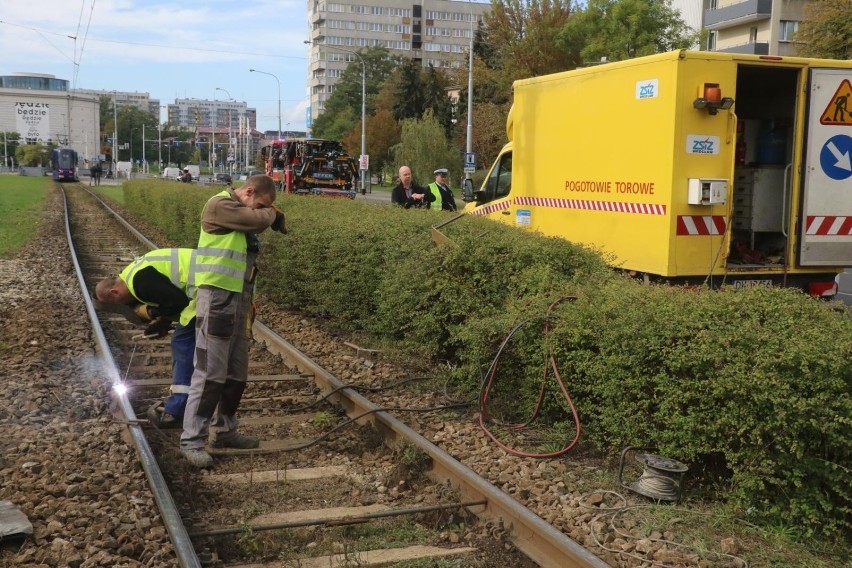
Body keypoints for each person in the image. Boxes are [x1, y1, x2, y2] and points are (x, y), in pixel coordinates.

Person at [180, 174, 288, 468]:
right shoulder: (219, 206)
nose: (260, 210)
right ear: (249, 191)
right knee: (210, 374)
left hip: (238, 300)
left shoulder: (240, 211)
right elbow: (258, 221)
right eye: (260, 203)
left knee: (236, 376)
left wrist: (266, 210)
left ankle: (225, 431)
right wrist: (271, 213)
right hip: (216, 297)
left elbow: (254, 221)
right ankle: (192, 440)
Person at [94, 248, 198, 428]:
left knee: (181, 342)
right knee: (187, 337)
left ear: (114, 292)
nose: (125, 305)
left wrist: (153, 313)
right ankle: (191, 400)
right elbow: (173, 298)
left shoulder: (139, 282)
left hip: (209, 285)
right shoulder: (131, 272)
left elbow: (179, 302)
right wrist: (164, 321)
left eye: (116, 304)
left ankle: (176, 411)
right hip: (212, 280)